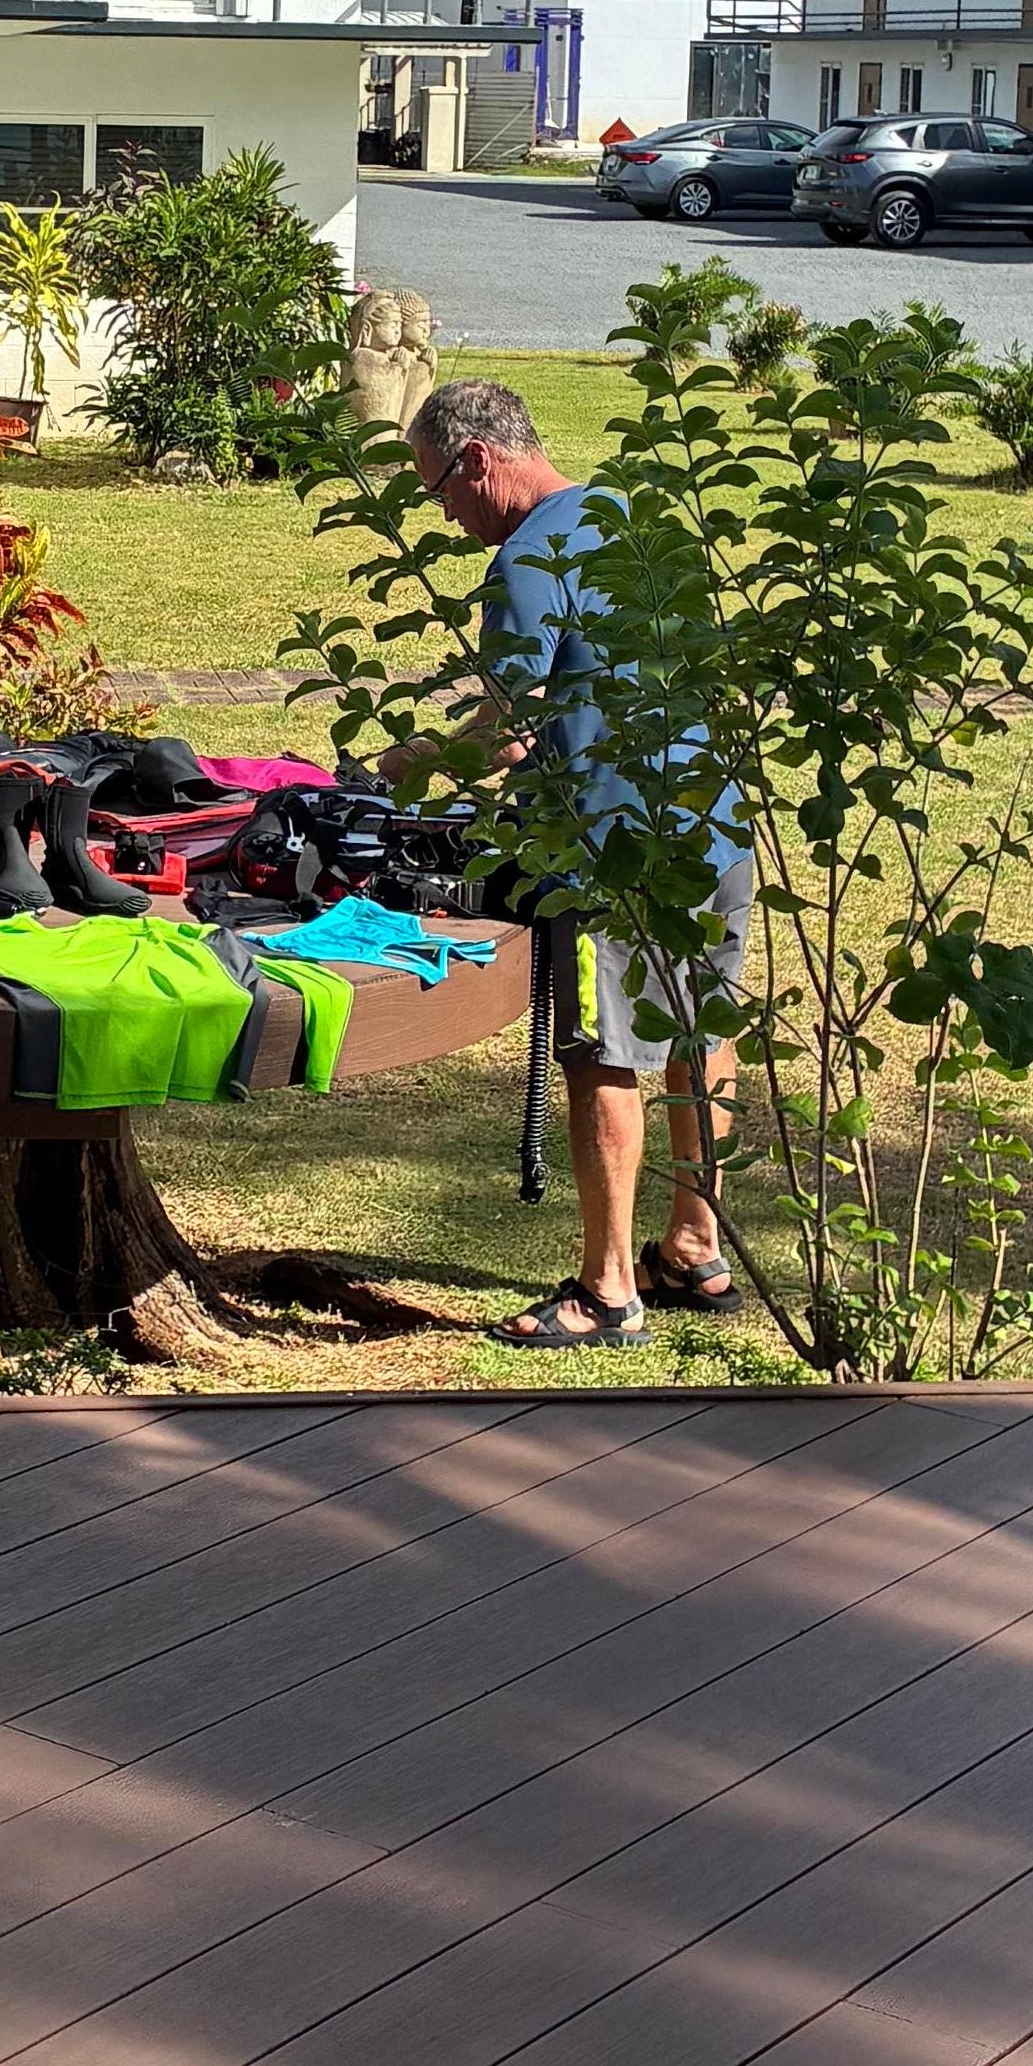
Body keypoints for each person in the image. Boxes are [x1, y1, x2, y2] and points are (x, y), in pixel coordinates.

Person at [408, 374, 745, 1350]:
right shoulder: (645, 520)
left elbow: (504, 739)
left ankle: (607, 1294)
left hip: (609, 857)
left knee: (604, 1055)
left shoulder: (522, 561)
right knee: (699, 1030)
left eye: (439, 492)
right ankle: (694, 1245)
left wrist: (404, 761)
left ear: (477, 459)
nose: (450, 516)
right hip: (712, 826)